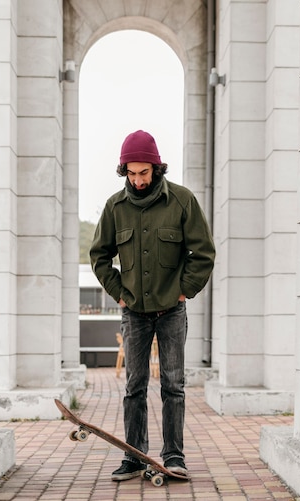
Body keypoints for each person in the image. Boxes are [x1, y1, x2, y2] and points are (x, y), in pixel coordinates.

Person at [90, 130, 215, 481]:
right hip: (134, 313)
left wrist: (183, 291)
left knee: (173, 385)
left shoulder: (182, 201)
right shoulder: (115, 207)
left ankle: (174, 456)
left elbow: (203, 253)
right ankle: (134, 456)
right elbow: (99, 257)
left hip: (171, 312)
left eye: (143, 173)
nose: (137, 180)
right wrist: (119, 292)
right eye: (131, 173)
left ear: (157, 169)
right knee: (135, 387)